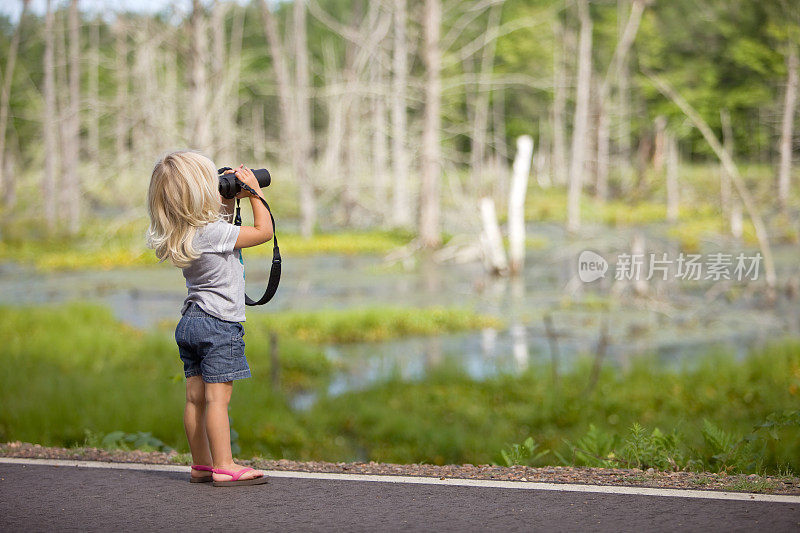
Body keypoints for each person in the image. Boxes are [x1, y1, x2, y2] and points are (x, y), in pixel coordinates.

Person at [146, 150, 273, 487]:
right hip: (218, 322)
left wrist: (231, 199)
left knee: (195, 399)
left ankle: (201, 464)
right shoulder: (213, 234)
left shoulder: (185, 230)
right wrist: (256, 193)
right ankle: (225, 464)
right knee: (219, 400)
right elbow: (263, 233)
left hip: (191, 320)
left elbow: (222, 226)